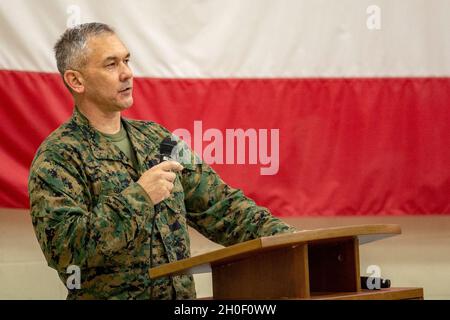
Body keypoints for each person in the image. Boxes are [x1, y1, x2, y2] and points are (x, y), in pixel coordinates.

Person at [28, 22, 295, 300]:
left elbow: (221, 206)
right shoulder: (58, 157)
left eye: (127, 60)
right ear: (76, 81)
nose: (127, 73)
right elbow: (66, 250)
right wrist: (140, 196)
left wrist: (290, 240)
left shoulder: (159, 139)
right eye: (111, 65)